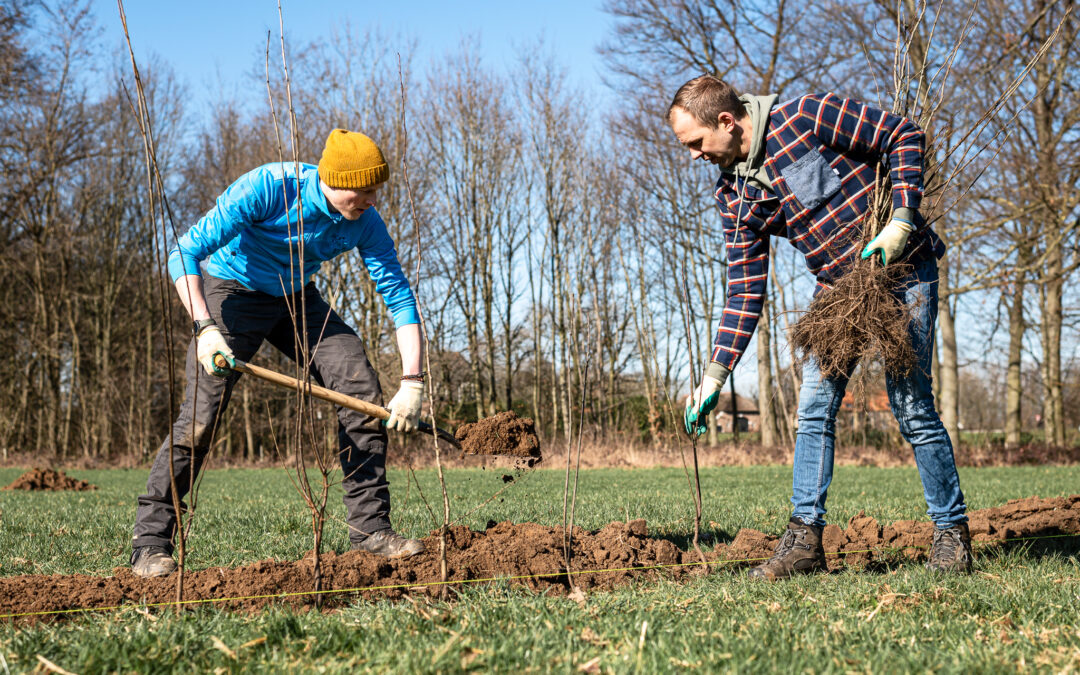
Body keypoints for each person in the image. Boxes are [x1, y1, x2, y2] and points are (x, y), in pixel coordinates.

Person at [669, 75, 971, 579]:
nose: (695, 157)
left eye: (696, 144)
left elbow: (902, 134)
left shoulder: (806, 117)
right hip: (838, 291)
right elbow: (745, 287)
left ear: (726, 121)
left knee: (912, 403)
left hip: (904, 267)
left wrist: (901, 218)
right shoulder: (732, 196)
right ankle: (804, 543)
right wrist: (714, 376)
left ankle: (951, 535)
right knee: (812, 409)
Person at [130, 129, 427, 577]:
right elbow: (183, 252)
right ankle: (150, 543)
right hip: (232, 292)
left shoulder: (365, 221)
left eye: (375, 191)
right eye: (364, 190)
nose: (371, 199)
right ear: (334, 180)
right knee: (200, 418)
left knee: (361, 389)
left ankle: (370, 533)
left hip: (297, 298)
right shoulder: (269, 187)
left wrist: (412, 382)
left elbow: (400, 297)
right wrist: (205, 328)